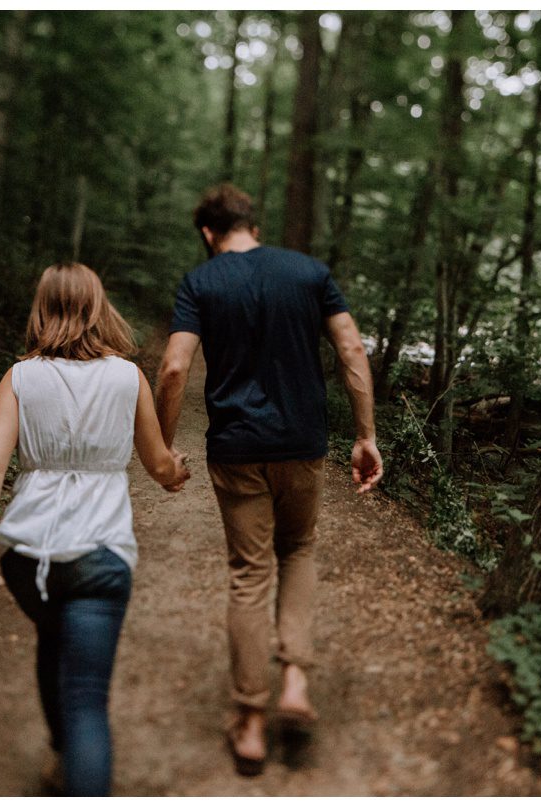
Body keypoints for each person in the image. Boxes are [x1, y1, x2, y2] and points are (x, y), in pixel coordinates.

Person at [154, 184, 382, 776]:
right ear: (252, 223)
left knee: (249, 574)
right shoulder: (310, 273)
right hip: (301, 444)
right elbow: (352, 348)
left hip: (235, 450)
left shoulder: (201, 283)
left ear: (208, 233)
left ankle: (251, 723)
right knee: (299, 549)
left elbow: (175, 366)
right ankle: (297, 683)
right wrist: (365, 436)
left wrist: (160, 448)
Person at [0, 262, 190, 796]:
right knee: (88, 696)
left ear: (42, 308)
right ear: (98, 306)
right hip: (100, 554)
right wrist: (178, 470)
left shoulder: (19, 377)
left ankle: (62, 754)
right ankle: (75, 757)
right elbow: (160, 467)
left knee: (51, 636)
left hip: (29, 556)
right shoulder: (127, 376)